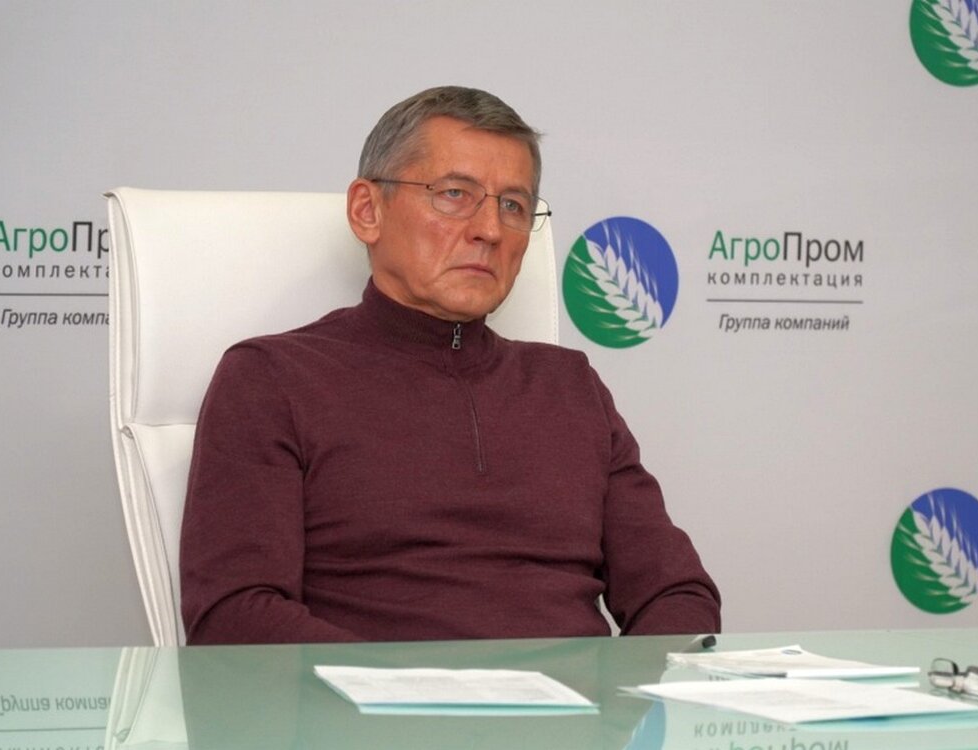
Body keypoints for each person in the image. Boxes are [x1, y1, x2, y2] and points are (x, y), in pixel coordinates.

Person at [180, 85, 720, 644]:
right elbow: (234, 615)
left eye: (513, 205)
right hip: (373, 698)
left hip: (577, 699)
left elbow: (675, 593)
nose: (490, 230)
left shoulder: (568, 386)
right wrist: (413, 687)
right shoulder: (272, 378)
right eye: (455, 194)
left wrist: (624, 689)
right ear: (368, 211)